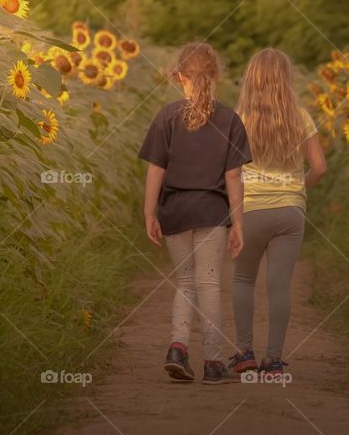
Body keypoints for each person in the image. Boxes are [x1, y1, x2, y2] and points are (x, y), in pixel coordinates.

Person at [138, 42, 252, 385]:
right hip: (212, 213)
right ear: (216, 76)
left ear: (180, 76)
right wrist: (239, 224)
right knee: (209, 284)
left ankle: (177, 349)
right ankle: (213, 362)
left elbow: (156, 170)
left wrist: (149, 214)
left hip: (174, 210)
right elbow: (234, 178)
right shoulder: (230, 119)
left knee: (185, 283)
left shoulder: (167, 116)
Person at [228, 48, 327, 376]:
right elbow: (320, 168)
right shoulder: (300, 116)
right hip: (290, 212)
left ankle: (245, 354)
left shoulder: (239, 118)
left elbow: (227, 171)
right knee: (279, 284)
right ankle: (273, 360)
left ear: (251, 79)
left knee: (243, 279)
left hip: (251, 209)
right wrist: (297, 189)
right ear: (286, 78)